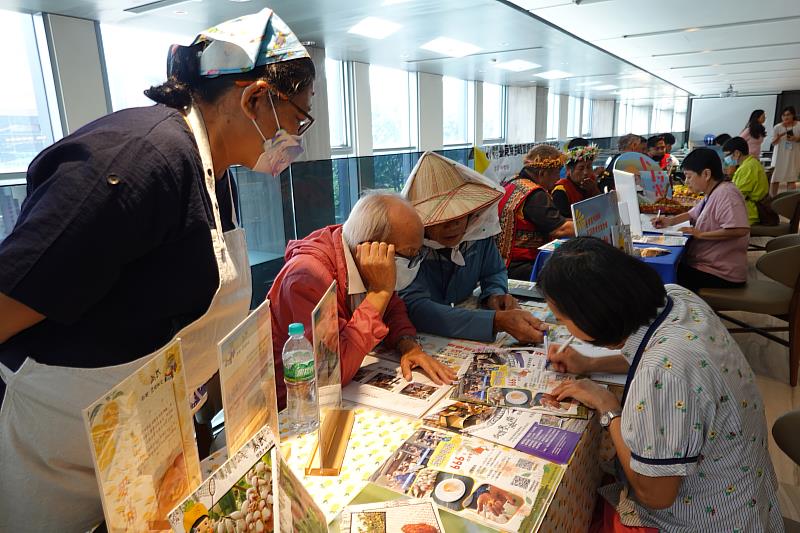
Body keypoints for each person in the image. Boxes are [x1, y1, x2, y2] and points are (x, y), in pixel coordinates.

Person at [0, 9, 312, 531]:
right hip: (56, 451)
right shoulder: (140, 162)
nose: (296, 137)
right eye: (298, 119)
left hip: (144, 442)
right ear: (256, 98)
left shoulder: (216, 172)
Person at [540, 238, 781, 532]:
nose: (563, 327)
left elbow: (655, 495)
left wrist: (608, 408)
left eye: (563, 320)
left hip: (707, 520)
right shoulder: (676, 298)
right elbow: (649, 353)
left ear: (592, 316)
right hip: (745, 495)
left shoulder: (663, 374)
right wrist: (589, 365)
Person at [268, 191, 455, 407]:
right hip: (295, 407)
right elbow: (331, 372)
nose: (415, 263)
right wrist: (379, 293)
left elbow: (393, 309)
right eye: (410, 254)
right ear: (370, 248)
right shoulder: (308, 276)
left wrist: (409, 346)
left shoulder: (354, 251)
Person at [399, 152, 547, 344]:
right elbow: (416, 308)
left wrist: (494, 294)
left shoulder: (478, 236)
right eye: (441, 218)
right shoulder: (409, 251)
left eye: (459, 215)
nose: (452, 226)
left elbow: (494, 271)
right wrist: (495, 322)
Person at [654, 148, 749, 292]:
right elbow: (692, 213)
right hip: (709, 266)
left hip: (721, 273)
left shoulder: (726, 194)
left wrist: (701, 234)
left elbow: (740, 229)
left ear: (706, 174)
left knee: (658, 276)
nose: (686, 182)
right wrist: (669, 221)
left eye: (689, 176)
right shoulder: (713, 192)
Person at [497, 145, 574, 281]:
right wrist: (594, 224)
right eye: (557, 172)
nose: (558, 178)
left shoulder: (513, 183)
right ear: (542, 173)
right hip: (519, 267)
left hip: (501, 264)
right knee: (572, 272)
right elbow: (559, 229)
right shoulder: (535, 194)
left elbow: (558, 221)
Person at [723, 136, 769, 225]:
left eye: (727, 155)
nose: (726, 159)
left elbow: (735, 196)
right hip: (749, 208)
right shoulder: (750, 163)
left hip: (749, 213)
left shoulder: (747, 168)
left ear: (737, 153)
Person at [551, 144, 601, 218]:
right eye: (581, 168)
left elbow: (604, 208)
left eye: (589, 167)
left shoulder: (593, 182)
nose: (586, 172)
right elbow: (562, 222)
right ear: (568, 169)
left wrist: (594, 190)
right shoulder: (561, 190)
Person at [770, 105, 800, 195]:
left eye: (788, 115)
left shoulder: (799, 125)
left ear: (793, 115)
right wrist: (778, 137)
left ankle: (790, 203)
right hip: (779, 156)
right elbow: (773, 143)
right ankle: (771, 201)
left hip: (793, 155)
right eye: (783, 115)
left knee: (791, 179)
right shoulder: (777, 127)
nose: (785, 117)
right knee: (775, 179)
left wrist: (796, 138)